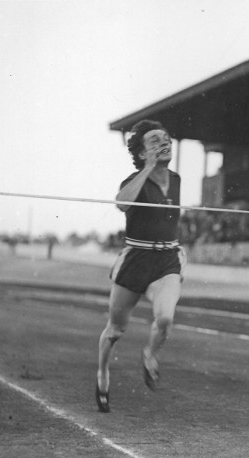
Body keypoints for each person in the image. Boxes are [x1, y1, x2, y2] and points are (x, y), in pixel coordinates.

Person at [96, 119, 187, 413]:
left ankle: (150, 355)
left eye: (166, 138)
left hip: (166, 261)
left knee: (164, 319)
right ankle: (102, 373)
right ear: (141, 152)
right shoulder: (131, 182)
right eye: (154, 141)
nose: (164, 143)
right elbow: (121, 204)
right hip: (137, 259)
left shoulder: (177, 179)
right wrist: (147, 168)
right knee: (116, 329)